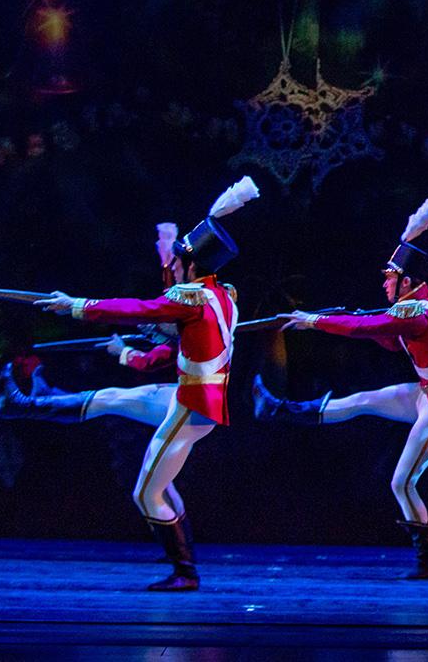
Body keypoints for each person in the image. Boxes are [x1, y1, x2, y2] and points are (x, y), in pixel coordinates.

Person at [34, 176, 260, 591]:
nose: (171, 268)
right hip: (192, 398)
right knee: (118, 400)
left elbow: (140, 306)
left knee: (145, 494)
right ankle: (34, 403)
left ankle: (184, 571)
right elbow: (169, 307)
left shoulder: (191, 299)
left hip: (193, 406)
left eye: (176, 262)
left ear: (191, 267)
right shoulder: (223, 294)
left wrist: (76, 306)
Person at [254, 199, 428, 579]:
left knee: (401, 482)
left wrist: (315, 321)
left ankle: (427, 563)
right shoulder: (416, 304)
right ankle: (280, 409)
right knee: (361, 401)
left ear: (406, 282)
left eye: (391, 276)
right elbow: (385, 335)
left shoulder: (416, 312)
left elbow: (369, 329)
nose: (385, 281)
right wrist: (358, 319)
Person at [0, 222, 190, 524]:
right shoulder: (184, 315)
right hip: (187, 402)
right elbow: (168, 294)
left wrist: (122, 350)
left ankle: (29, 404)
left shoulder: (191, 325)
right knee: (160, 484)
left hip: (196, 406)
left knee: (111, 400)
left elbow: (148, 349)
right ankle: (183, 559)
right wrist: (167, 244)